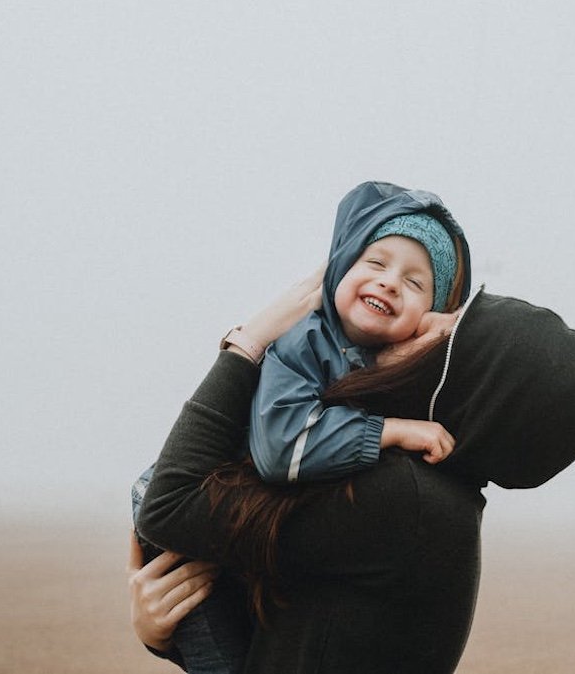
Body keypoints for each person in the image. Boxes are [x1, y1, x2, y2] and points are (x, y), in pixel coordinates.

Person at [131, 275, 575, 673]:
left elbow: (169, 501)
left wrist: (249, 342)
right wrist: (167, 634)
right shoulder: (430, 501)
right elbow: (295, 645)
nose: (424, 317)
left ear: (465, 391)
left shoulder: (405, 503)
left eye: (447, 331)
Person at [131, 180, 473, 673]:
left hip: (211, 500)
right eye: (375, 262)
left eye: (416, 284)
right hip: (184, 492)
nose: (390, 282)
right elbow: (280, 447)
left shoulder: (408, 477)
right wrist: (388, 430)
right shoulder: (304, 343)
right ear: (339, 266)